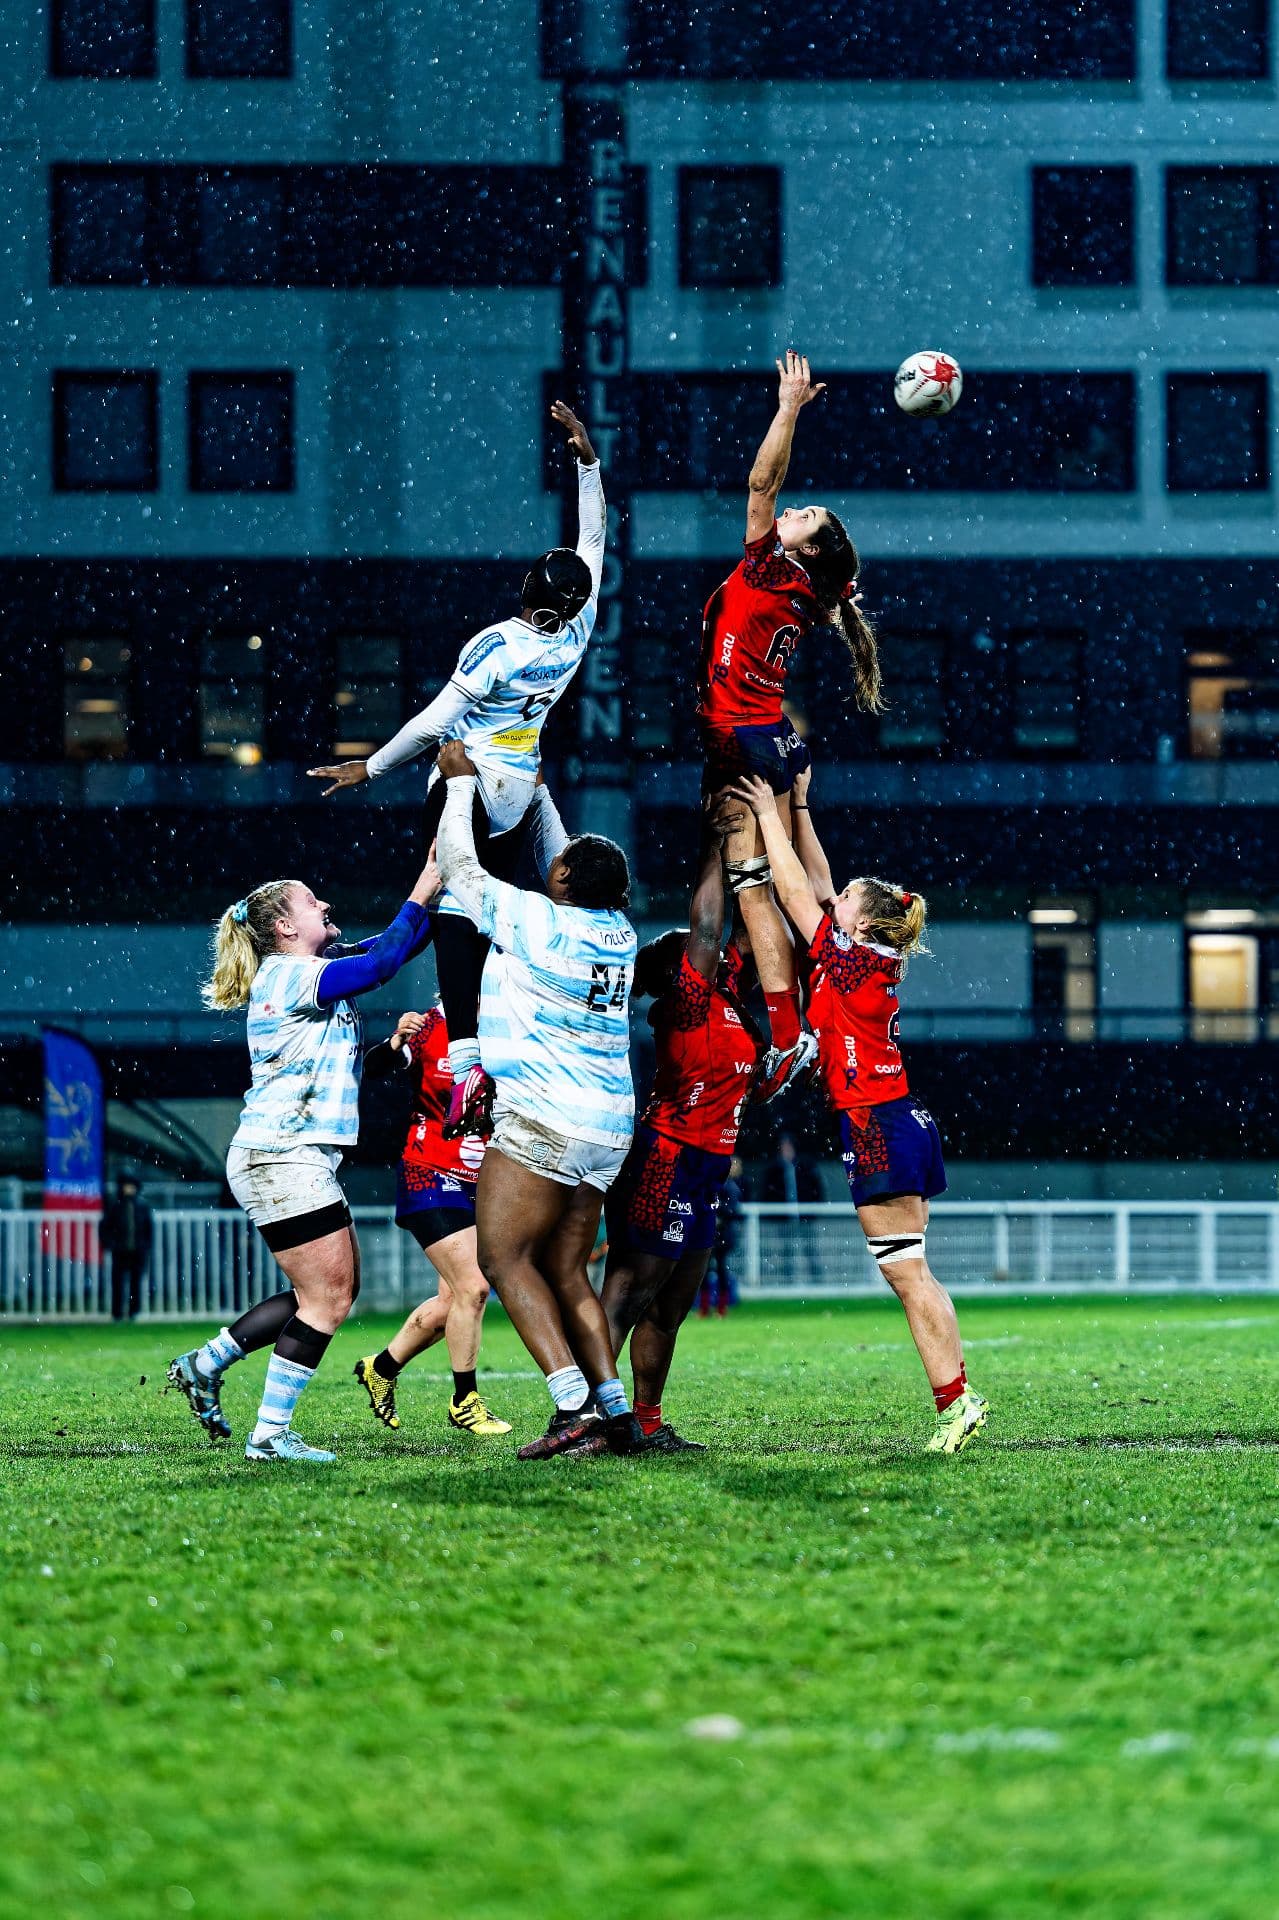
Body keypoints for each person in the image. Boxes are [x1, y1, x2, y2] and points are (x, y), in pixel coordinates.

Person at [308, 401, 606, 1140]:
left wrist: (370, 768)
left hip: (468, 784)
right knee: (517, 907)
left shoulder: (498, 645)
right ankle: (530, 1031)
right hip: (522, 788)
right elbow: (593, 540)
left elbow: (436, 722)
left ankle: (469, 1055)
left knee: (453, 902)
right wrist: (588, 464)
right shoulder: (582, 624)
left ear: (528, 594)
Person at [729, 772, 988, 1455]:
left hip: (878, 1122)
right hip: (894, 1116)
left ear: (862, 921)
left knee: (906, 1273)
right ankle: (958, 1396)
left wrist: (766, 814)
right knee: (913, 1269)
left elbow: (793, 891)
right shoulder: (862, 955)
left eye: (844, 900)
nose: (832, 897)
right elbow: (816, 884)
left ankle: (956, 1403)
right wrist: (802, 806)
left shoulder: (848, 963)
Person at [167, 858, 440, 1464]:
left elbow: (403, 942)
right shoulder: (290, 975)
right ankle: (269, 1435)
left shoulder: (305, 971)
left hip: (287, 1156)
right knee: (330, 1298)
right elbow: (382, 963)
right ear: (286, 927)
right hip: (281, 1157)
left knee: (322, 1292)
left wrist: (453, 888)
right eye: (312, 903)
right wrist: (424, 883)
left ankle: (205, 1363)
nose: (325, 908)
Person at [433, 740, 652, 1459]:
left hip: (545, 1119)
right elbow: (570, 859)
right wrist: (538, 793)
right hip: (607, 1127)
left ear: (559, 880)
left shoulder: (537, 919)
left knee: (502, 1261)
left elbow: (459, 870)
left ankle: (570, 1407)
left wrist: (462, 787)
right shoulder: (617, 932)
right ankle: (615, 1411)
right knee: (566, 1268)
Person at [699, 351, 884, 1103]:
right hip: (765, 732)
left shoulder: (778, 572)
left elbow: (758, 484)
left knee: (751, 887)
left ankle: (784, 1032)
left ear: (804, 550)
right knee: (760, 886)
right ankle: (777, 1001)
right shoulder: (805, 587)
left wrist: (788, 409)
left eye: (808, 519)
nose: (794, 510)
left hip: (740, 736)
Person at [601, 805, 765, 1449]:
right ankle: (590, 1418)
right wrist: (715, 844)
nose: (717, 951)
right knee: (628, 1292)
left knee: (670, 1305)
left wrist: (768, 834)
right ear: (679, 970)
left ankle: (644, 1421)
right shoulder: (689, 1004)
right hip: (666, 1156)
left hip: (704, 1170)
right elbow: (707, 921)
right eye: (701, 952)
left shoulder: (726, 1002)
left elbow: (755, 932)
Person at [353, 1005, 510, 1437]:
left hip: (485, 1180)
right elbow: (374, 1067)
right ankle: (465, 1402)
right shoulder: (431, 1025)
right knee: (474, 1289)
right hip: (429, 1170)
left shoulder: (511, 1021)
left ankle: (380, 1368)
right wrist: (395, 1042)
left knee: (451, 1304)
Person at [760, 1130, 823, 1290]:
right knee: (787, 1252)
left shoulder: (805, 1165)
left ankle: (817, 1282)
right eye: (783, 1147)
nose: (785, 1149)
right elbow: (768, 1193)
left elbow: (817, 1188)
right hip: (785, 1219)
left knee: (810, 1250)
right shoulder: (774, 1169)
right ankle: (789, 1283)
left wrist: (813, 1209)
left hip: (805, 1217)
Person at [101, 1173, 153, 1321]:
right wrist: (111, 1243)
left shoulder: (142, 1206)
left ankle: (133, 1312)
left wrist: (145, 1246)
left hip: (137, 1249)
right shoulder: (115, 1206)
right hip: (120, 1249)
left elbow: (148, 1228)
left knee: (135, 1282)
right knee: (118, 1282)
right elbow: (105, 1226)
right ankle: (117, 1312)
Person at [699, 1157, 744, 1317]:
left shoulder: (729, 1187)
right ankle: (709, 1308)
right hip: (716, 1234)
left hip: (721, 1235)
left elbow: (732, 1211)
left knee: (717, 1269)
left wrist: (717, 1216)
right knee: (707, 1270)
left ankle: (719, 1307)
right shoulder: (721, 1186)